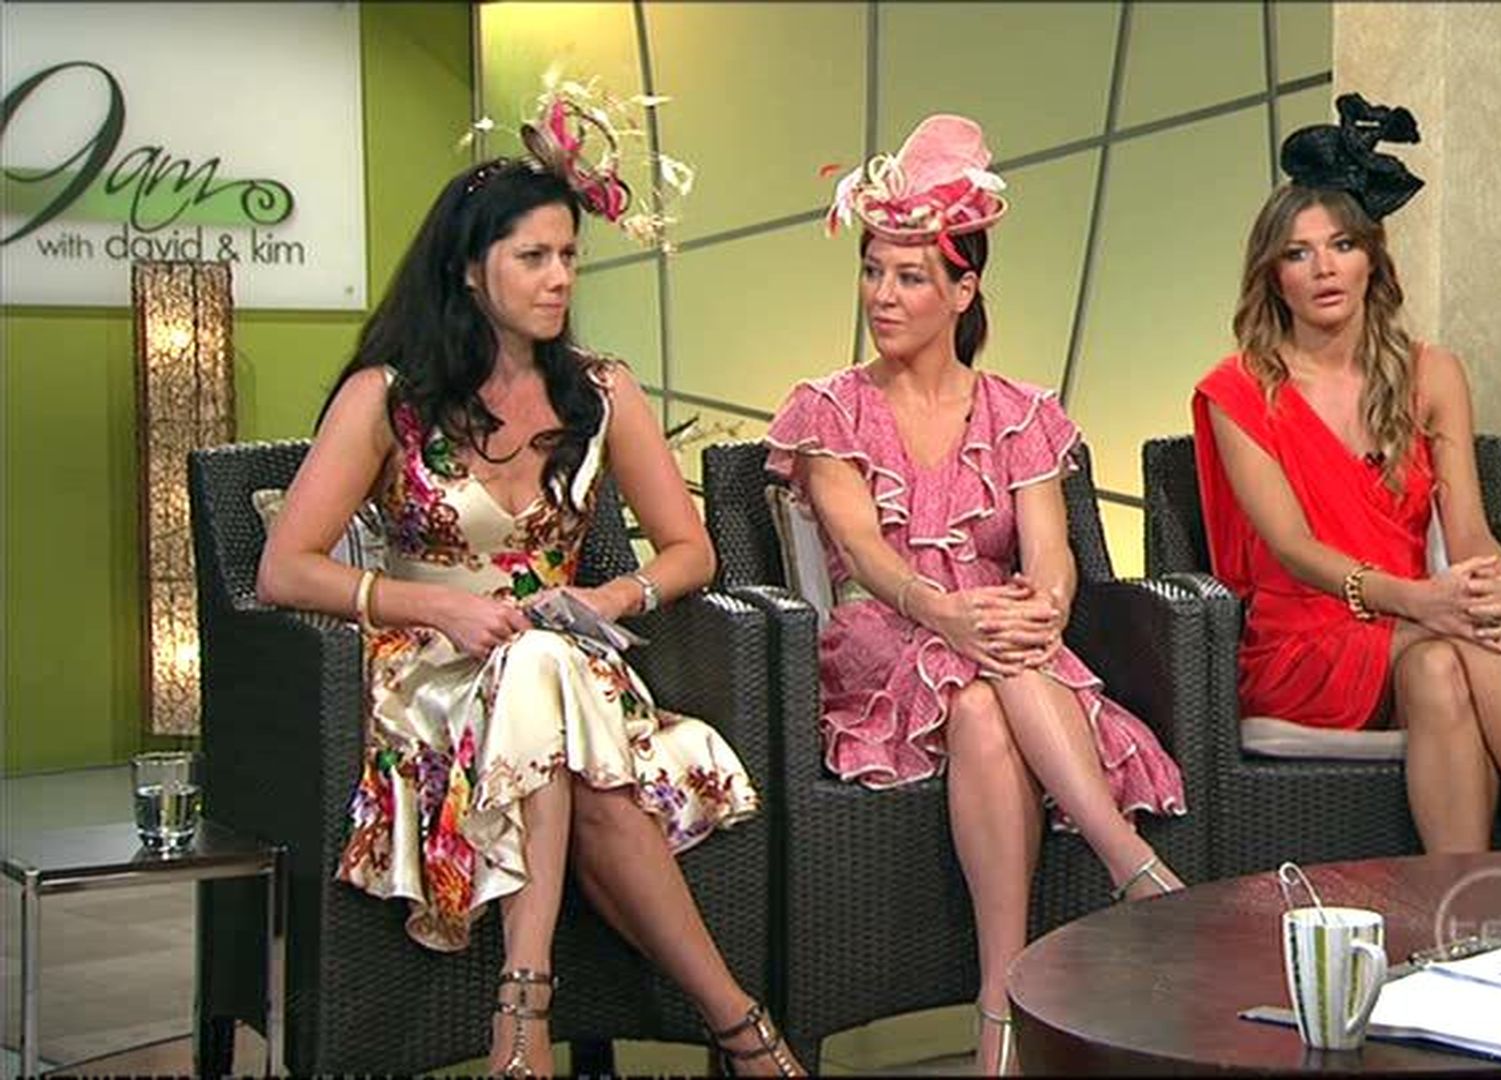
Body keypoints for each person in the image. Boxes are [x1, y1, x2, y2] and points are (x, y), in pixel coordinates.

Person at [255, 81, 800, 1077]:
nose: (559, 280)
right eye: (534, 258)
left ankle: (526, 1011)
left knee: (547, 667)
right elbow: (284, 569)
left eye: (569, 257)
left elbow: (690, 551)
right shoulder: (388, 398)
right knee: (571, 730)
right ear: (470, 271)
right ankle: (738, 1032)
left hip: (566, 668)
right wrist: (437, 605)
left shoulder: (601, 391)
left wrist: (610, 597)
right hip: (430, 678)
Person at [765, 114, 1188, 1075]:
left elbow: (1052, 553)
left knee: (984, 701)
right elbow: (864, 555)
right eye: (872, 271)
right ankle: (1135, 870)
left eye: (909, 277)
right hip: (886, 637)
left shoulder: (1022, 413)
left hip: (999, 651)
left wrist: (1043, 605)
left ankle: (997, 1008)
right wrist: (947, 610)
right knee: (975, 668)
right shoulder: (829, 408)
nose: (883, 295)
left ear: (963, 291)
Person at [1191, 94, 1501, 856]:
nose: (1325, 268)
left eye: (1342, 245)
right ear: (1273, 277)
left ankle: (1459, 899)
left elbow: (1469, 531)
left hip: (1419, 629)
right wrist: (1427, 601)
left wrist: (1500, 590)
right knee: (1462, 640)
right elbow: (1292, 549)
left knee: (1441, 668)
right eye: (1298, 253)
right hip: (1303, 641)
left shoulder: (1433, 373)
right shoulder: (1240, 389)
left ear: (1372, 260)